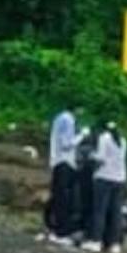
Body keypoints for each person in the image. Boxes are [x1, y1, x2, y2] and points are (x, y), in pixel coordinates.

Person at [89, 120, 127, 253]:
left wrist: (91, 156)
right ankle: (115, 244)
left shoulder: (104, 138)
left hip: (104, 177)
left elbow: (101, 158)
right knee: (115, 212)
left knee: (100, 211)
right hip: (119, 179)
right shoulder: (123, 140)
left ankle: (96, 241)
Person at [46, 101, 82, 242]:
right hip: (65, 162)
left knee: (57, 197)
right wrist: (81, 136)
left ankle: (54, 229)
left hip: (57, 161)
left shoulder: (59, 118)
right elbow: (67, 144)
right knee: (64, 199)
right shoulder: (68, 120)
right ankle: (61, 232)